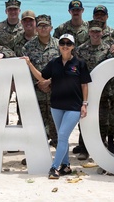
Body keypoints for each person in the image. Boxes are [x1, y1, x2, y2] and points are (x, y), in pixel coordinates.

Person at [29, 33, 91, 178]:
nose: (65, 46)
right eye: (62, 43)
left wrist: (85, 104)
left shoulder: (80, 64)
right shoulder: (54, 63)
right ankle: (66, 166)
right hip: (56, 105)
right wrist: (29, 64)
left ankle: (54, 168)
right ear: (59, 46)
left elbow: (84, 85)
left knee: (62, 135)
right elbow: (42, 77)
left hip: (74, 106)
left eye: (68, 43)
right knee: (62, 137)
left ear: (73, 46)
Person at [75, 19, 112, 158]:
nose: (95, 34)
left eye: (98, 31)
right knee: (85, 120)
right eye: (92, 31)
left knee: (103, 120)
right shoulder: (80, 50)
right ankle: (84, 148)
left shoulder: (108, 49)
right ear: (88, 32)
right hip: (85, 92)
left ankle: (102, 147)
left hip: (104, 92)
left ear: (102, 32)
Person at [21, 14, 59, 145]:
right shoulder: (27, 47)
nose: (43, 28)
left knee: (57, 125)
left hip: (56, 91)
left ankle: (58, 155)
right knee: (36, 125)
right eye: (40, 26)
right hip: (36, 92)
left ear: (51, 28)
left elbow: (66, 67)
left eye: (46, 26)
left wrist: (50, 81)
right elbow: (24, 71)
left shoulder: (60, 45)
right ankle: (36, 154)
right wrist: (39, 84)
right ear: (36, 29)